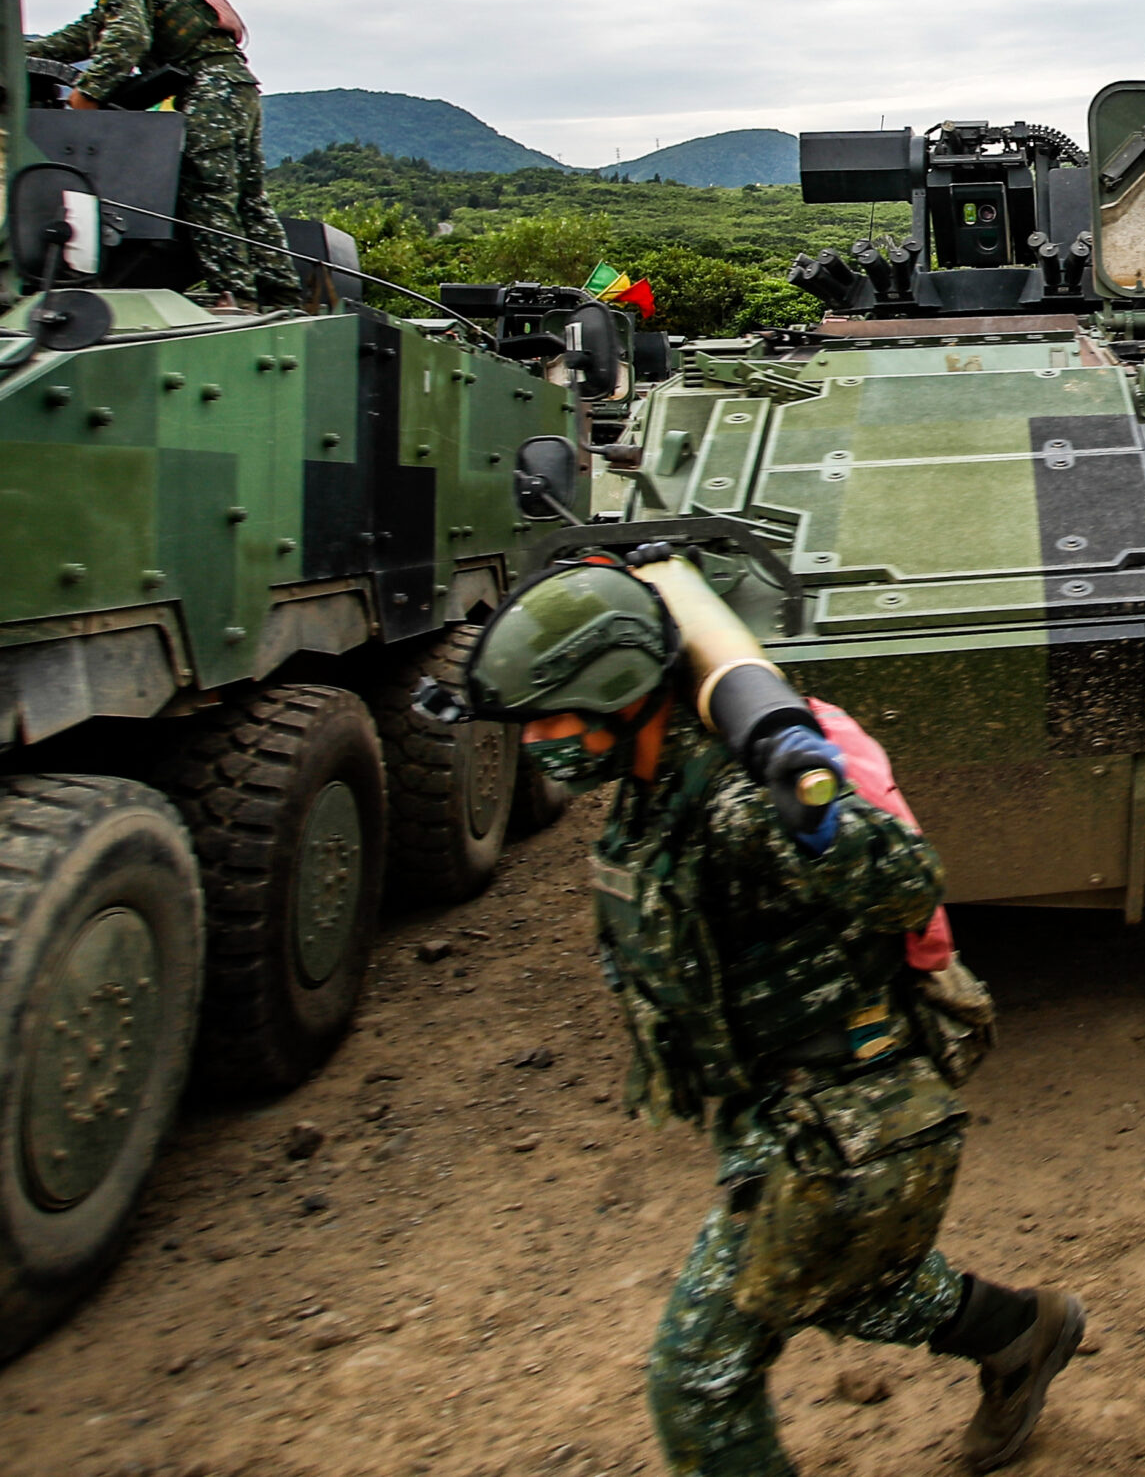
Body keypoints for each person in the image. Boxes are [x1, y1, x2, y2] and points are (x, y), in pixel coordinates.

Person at [449, 558, 1082, 1475]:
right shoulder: (656, 783)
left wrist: (822, 822)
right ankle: (1023, 1333)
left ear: (625, 695)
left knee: (700, 1375)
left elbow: (908, 880)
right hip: (795, 1113)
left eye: (554, 717)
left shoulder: (742, 804)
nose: (539, 741)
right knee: (861, 1292)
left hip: (856, 1130)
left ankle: (1020, 1332)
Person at [14, 0, 297, 312]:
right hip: (234, 84)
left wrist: (89, 92)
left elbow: (129, 35)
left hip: (209, 85)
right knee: (247, 198)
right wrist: (17, 52)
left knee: (207, 188)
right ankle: (282, 296)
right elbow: (85, 35)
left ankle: (237, 297)